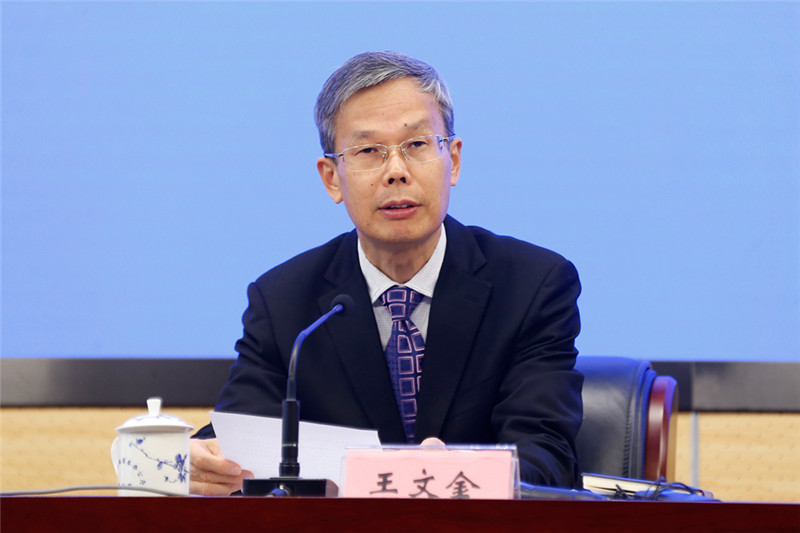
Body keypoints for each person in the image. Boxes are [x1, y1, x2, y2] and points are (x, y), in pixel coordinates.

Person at [190, 51, 583, 496]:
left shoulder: (532, 286)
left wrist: (463, 474)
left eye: (416, 145)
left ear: (452, 160)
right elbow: (240, 434)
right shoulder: (283, 302)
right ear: (331, 178)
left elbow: (547, 455)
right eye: (368, 151)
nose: (396, 172)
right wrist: (201, 461)